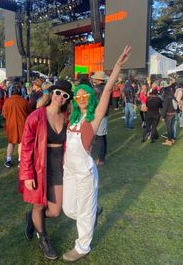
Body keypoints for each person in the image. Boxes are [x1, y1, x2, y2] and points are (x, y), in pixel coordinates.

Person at [62, 46, 131, 262]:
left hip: (84, 172)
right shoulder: (72, 117)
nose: (81, 97)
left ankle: (82, 246)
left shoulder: (94, 118)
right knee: (69, 209)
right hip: (69, 171)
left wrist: (117, 67)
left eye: (85, 95)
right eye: (78, 95)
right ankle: (95, 210)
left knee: (84, 212)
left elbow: (108, 91)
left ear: (91, 97)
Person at [19, 79, 73, 260]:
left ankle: (31, 218)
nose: (60, 97)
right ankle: (43, 238)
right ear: (52, 93)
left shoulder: (67, 117)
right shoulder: (35, 116)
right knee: (39, 205)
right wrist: (27, 174)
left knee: (56, 211)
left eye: (65, 95)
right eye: (58, 92)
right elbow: (25, 146)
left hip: (58, 168)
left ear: (67, 99)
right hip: (38, 167)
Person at [2, 84, 31, 168]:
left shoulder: (7, 101)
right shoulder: (24, 101)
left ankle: (8, 160)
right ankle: (20, 160)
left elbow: (4, 114)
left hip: (11, 125)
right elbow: (29, 113)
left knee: (11, 143)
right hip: (22, 124)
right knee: (21, 143)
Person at [91, 71, 110, 166]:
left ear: (99, 80)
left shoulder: (96, 89)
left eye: (95, 78)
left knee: (100, 137)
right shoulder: (106, 88)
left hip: (99, 114)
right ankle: (102, 156)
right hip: (105, 114)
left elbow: (93, 102)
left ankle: (101, 159)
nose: (93, 79)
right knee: (103, 136)